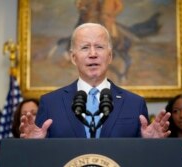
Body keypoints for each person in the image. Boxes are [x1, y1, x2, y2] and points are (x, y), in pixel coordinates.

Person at [20, 23, 171, 139]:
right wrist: (35, 145)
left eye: (99, 47)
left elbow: (140, 157)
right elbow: (41, 157)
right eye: (85, 47)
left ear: (110, 56)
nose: (93, 54)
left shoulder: (134, 103)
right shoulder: (50, 103)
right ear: (73, 58)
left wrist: (150, 144)